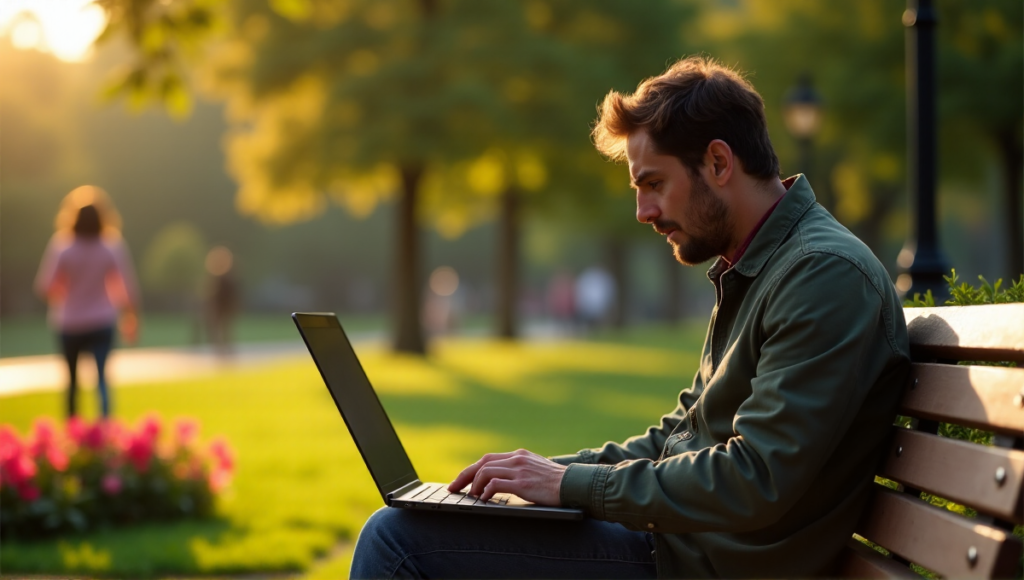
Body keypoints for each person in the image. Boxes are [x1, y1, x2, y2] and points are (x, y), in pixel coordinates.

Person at [350, 56, 911, 579]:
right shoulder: (763, 265)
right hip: (676, 544)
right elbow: (680, 436)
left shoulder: (821, 276)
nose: (643, 211)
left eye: (654, 184)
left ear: (718, 163)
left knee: (396, 540)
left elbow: (756, 477)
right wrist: (541, 476)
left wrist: (571, 484)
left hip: (695, 564)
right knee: (418, 525)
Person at [35, 186, 141, 420]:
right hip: (102, 320)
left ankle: (72, 431)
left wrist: (66, 289)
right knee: (102, 379)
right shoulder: (110, 246)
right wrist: (131, 318)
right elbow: (126, 287)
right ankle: (106, 427)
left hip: (69, 322)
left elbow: (45, 286)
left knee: (72, 382)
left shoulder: (63, 246)